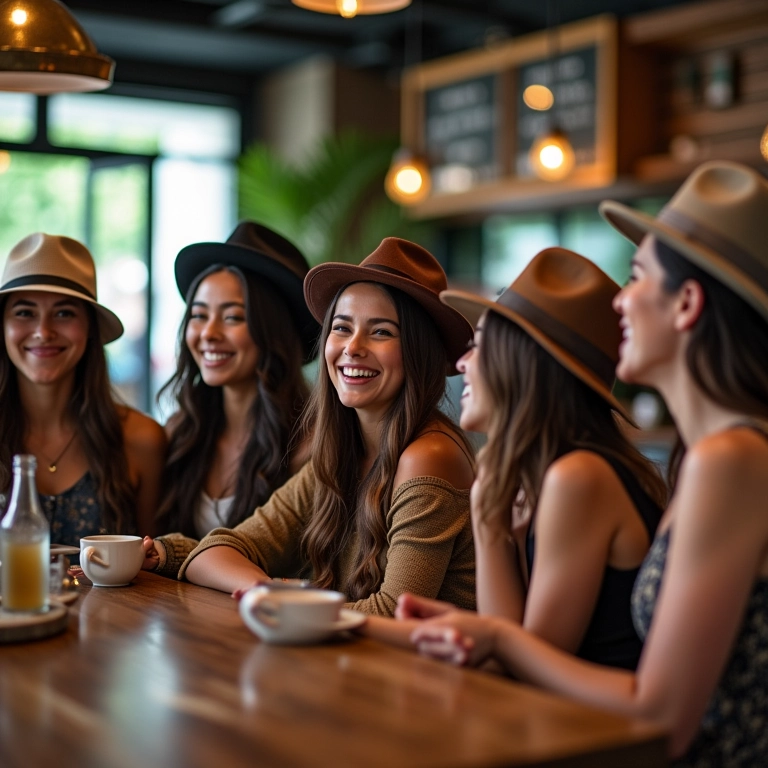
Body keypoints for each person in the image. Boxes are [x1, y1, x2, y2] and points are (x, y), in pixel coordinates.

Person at [403, 161, 768, 766]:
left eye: (637, 276)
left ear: (687, 305)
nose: (620, 300)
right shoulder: (709, 456)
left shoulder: (731, 460)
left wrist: (499, 638)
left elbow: (660, 719)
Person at [368, 247, 666, 670]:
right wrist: (489, 520)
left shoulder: (578, 476)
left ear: (524, 363)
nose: (462, 362)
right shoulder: (534, 477)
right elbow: (506, 639)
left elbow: (521, 666)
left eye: (481, 344)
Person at [156, 237, 477, 617]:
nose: (352, 347)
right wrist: (266, 589)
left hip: (426, 673)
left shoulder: (430, 455)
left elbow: (395, 614)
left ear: (419, 352)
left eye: (381, 332)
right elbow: (218, 549)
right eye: (342, 328)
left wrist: (288, 597)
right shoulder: (342, 452)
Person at [152, 222, 320, 542]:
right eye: (199, 315)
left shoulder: (311, 446)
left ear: (274, 332)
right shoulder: (180, 433)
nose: (209, 334)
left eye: (232, 318)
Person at [0, 233, 166, 545]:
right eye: (24, 312)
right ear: (3, 327)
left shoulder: (142, 440)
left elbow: (155, 568)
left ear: (89, 328)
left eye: (64, 313)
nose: (43, 331)